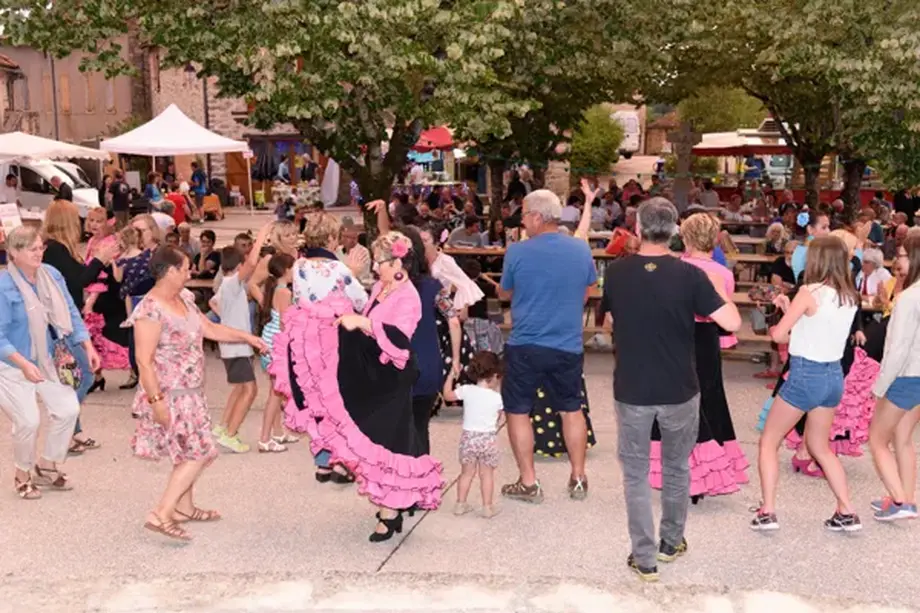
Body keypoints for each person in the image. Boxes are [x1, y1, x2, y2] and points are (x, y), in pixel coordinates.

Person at [271, 230, 444, 541]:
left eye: (380, 262)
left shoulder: (408, 296)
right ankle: (393, 506)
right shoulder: (382, 286)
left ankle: (390, 511)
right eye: (375, 262)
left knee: (389, 442)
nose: (375, 268)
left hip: (392, 375)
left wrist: (363, 322)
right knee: (372, 436)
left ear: (398, 263)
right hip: (373, 370)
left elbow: (400, 340)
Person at [602, 198, 741, 582]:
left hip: (632, 387)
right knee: (677, 467)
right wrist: (716, 290)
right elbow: (732, 322)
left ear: (638, 227)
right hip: (679, 387)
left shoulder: (617, 272)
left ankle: (643, 557)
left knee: (635, 474)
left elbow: (610, 319)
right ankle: (671, 542)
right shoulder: (690, 275)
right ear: (674, 230)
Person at [130, 246, 266, 541]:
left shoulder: (184, 298)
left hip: (191, 391)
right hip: (169, 393)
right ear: (170, 272)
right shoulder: (150, 309)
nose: (190, 272)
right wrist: (156, 402)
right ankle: (161, 513)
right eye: (184, 268)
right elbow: (144, 360)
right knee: (199, 452)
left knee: (187, 451)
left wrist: (247, 338)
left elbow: (210, 329)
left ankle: (184, 507)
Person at [753, 236, 862, 533]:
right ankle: (846, 510)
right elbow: (817, 329)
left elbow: (779, 336)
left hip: (805, 374)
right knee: (820, 447)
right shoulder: (850, 296)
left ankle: (767, 511)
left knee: (769, 441)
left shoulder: (808, 291)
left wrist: (784, 311)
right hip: (833, 376)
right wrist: (792, 309)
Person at [498, 189, 596, 503]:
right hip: (567, 344)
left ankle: (529, 481)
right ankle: (578, 477)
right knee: (571, 409)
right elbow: (589, 289)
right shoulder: (580, 249)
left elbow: (504, 293)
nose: (523, 221)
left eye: (525, 215)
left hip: (526, 343)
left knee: (518, 411)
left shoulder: (517, 251)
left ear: (538, 217)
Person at [648, 212, 747, 504]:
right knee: (709, 399)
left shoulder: (673, 269)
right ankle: (709, 468)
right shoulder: (723, 273)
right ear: (715, 239)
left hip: (676, 339)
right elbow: (722, 315)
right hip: (706, 340)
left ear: (685, 238)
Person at [0, 225, 99, 499]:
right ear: (14, 253)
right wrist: (23, 364)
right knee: (28, 422)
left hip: (48, 359)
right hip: (12, 365)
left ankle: (46, 465)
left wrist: (87, 345)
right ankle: (22, 474)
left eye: (40, 247)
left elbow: (71, 311)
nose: (39, 253)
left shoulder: (52, 275)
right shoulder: (4, 286)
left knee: (67, 410)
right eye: (32, 249)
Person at [272, 212, 367, 474]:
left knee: (315, 397)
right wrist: (354, 273)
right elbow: (360, 301)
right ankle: (341, 459)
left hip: (305, 340)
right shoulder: (338, 268)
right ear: (331, 238)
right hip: (335, 339)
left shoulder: (299, 265)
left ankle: (323, 461)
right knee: (339, 398)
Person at [41, 201, 118, 453]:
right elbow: (79, 280)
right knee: (83, 375)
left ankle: (73, 431)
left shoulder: (59, 248)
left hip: (67, 321)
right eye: (76, 217)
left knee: (71, 379)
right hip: (61, 325)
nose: (80, 222)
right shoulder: (55, 250)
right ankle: (63, 428)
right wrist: (99, 260)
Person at [867, 235, 920, 520]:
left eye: (901, 255)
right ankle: (907, 497)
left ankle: (901, 501)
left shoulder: (908, 298)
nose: (897, 260)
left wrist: (879, 387)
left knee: (877, 439)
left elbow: (897, 349)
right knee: (903, 438)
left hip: (905, 376)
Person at [209, 243, 266, 453]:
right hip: (237, 347)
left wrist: (227, 319)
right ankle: (231, 434)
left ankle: (224, 425)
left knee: (240, 388)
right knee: (250, 390)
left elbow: (213, 303)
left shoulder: (227, 285)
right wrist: (262, 236)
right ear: (239, 266)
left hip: (234, 346)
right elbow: (251, 264)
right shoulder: (232, 283)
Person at [442, 351, 504, 518]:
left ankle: (460, 504)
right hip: (488, 439)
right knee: (487, 474)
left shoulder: (466, 390)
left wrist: (450, 375)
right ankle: (487, 507)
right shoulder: (497, 398)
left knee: (466, 473)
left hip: (469, 439)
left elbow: (447, 396)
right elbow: (498, 418)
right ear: (495, 375)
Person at [83, 207, 131, 390]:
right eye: (91, 220)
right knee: (93, 336)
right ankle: (97, 376)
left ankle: (137, 372)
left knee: (115, 336)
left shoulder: (111, 243)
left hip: (109, 293)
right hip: (95, 293)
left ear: (109, 223)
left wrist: (90, 300)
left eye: (99, 221)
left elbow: (103, 274)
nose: (94, 225)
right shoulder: (92, 241)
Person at [115, 214, 162, 391]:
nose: (137, 235)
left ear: (152, 230)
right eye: (134, 231)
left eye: (140, 230)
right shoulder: (131, 256)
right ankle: (138, 375)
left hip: (156, 306)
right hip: (134, 303)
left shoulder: (161, 253)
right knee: (136, 345)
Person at [256, 252, 297, 453]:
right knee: (276, 393)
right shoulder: (285, 292)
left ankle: (278, 432)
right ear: (287, 270)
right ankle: (264, 438)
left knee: (276, 391)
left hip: (269, 342)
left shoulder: (274, 288)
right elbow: (284, 323)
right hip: (277, 347)